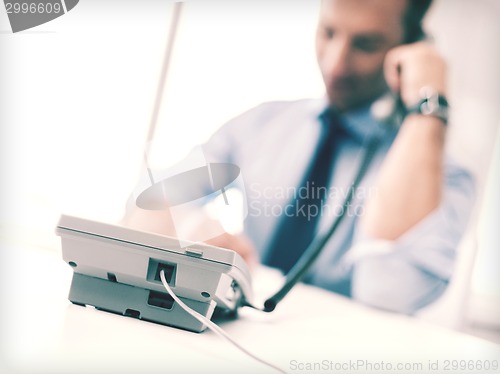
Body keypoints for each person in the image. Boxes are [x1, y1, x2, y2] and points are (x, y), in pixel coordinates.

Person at [125, 0, 475, 314]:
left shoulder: (447, 178)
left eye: (366, 44)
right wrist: (192, 228)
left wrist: (429, 106)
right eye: (328, 32)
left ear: (410, 49)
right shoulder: (261, 124)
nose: (336, 64)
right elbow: (148, 198)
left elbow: (388, 290)